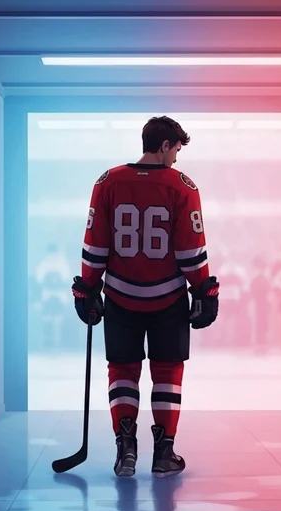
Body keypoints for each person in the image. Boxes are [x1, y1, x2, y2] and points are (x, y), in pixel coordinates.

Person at [70, 116, 220, 478]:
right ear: (165, 145)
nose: (176, 159)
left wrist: (87, 287)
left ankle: (126, 450)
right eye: (176, 150)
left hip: (120, 295)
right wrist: (203, 289)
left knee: (122, 370)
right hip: (168, 298)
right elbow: (189, 251)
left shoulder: (107, 181)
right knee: (167, 371)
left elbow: (95, 244)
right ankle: (163, 454)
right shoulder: (182, 187)